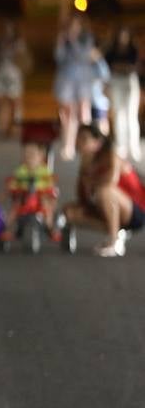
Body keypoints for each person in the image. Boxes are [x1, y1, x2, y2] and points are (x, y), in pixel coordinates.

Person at [65, 125, 145, 257]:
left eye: (84, 139)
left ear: (98, 143)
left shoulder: (112, 156)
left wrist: (90, 178)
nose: (78, 143)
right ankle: (118, 231)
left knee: (104, 191)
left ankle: (114, 242)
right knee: (70, 212)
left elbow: (109, 183)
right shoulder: (86, 163)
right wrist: (84, 174)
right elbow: (83, 199)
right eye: (78, 139)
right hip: (109, 209)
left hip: (135, 211)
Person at [54, 14, 102, 160]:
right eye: (70, 25)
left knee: (83, 114)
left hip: (83, 82)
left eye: (76, 25)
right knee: (68, 115)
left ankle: (86, 144)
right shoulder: (63, 39)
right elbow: (58, 57)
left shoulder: (86, 38)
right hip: (67, 82)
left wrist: (73, 41)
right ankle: (68, 146)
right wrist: (60, 42)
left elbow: (84, 56)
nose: (73, 28)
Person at [0, 139, 59, 246]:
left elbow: (51, 182)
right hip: (25, 196)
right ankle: (7, 228)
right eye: (26, 155)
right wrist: (13, 186)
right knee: (15, 207)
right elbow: (14, 181)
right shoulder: (21, 170)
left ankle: (50, 227)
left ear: (41, 157)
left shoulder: (44, 170)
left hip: (40, 197)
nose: (29, 158)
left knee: (47, 206)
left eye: (32, 155)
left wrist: (47, 185)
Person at [103, 25, 140, 164]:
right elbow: (108, 66)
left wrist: (121, 67)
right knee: (119, 114)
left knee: (131, 114)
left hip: (129, 81)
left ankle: (133, 147)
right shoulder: (111, 50)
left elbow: (133, 66)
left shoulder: (133, 50)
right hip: (115, 81)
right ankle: (121, 146)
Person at [0, 20, 31, 137]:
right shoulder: (1, 42)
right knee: (1, 102)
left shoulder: (19, 43)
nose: (7, 31)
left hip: (14, 75)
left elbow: (22, 58)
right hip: (1, 74)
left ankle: (16, 129)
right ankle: (1, 128)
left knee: (15, 103)